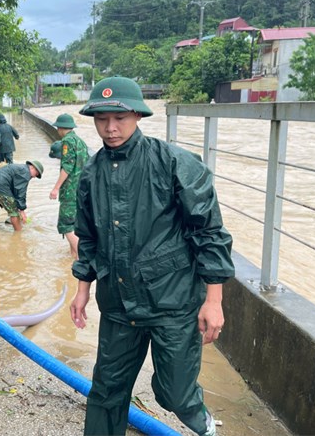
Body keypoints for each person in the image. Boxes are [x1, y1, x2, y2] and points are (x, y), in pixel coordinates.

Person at [69, 76, 235, 436]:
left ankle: (199, 419)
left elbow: (209, 232)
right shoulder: (90, 175)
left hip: (172, 303)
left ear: (139, 116)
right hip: (117, 304)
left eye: (120, 118)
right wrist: (82, 289)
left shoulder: (174, 163)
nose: (111, 128)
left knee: (174, 393)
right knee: (106, 392)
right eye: (101, 119)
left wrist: (214, 300)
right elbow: (89, 238)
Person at [48, 113, 89, 258]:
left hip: (70, 191)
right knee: (74, 225)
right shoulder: (80, 142)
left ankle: (81, 257)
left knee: (65, 225)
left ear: (60, 128)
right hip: (81, 190)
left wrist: (56, 188)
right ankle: (73, 258)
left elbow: (67, 167)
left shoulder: (67, 141)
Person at [0, 160, 44, 231]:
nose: (34, 177)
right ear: (32, 168)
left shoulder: (19, 168)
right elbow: (21, 192)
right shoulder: (26, 172)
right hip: (1, 186)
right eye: (36, 174)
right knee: (14, 212)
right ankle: (18, 234)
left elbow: (14, 189)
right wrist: (22, 210)